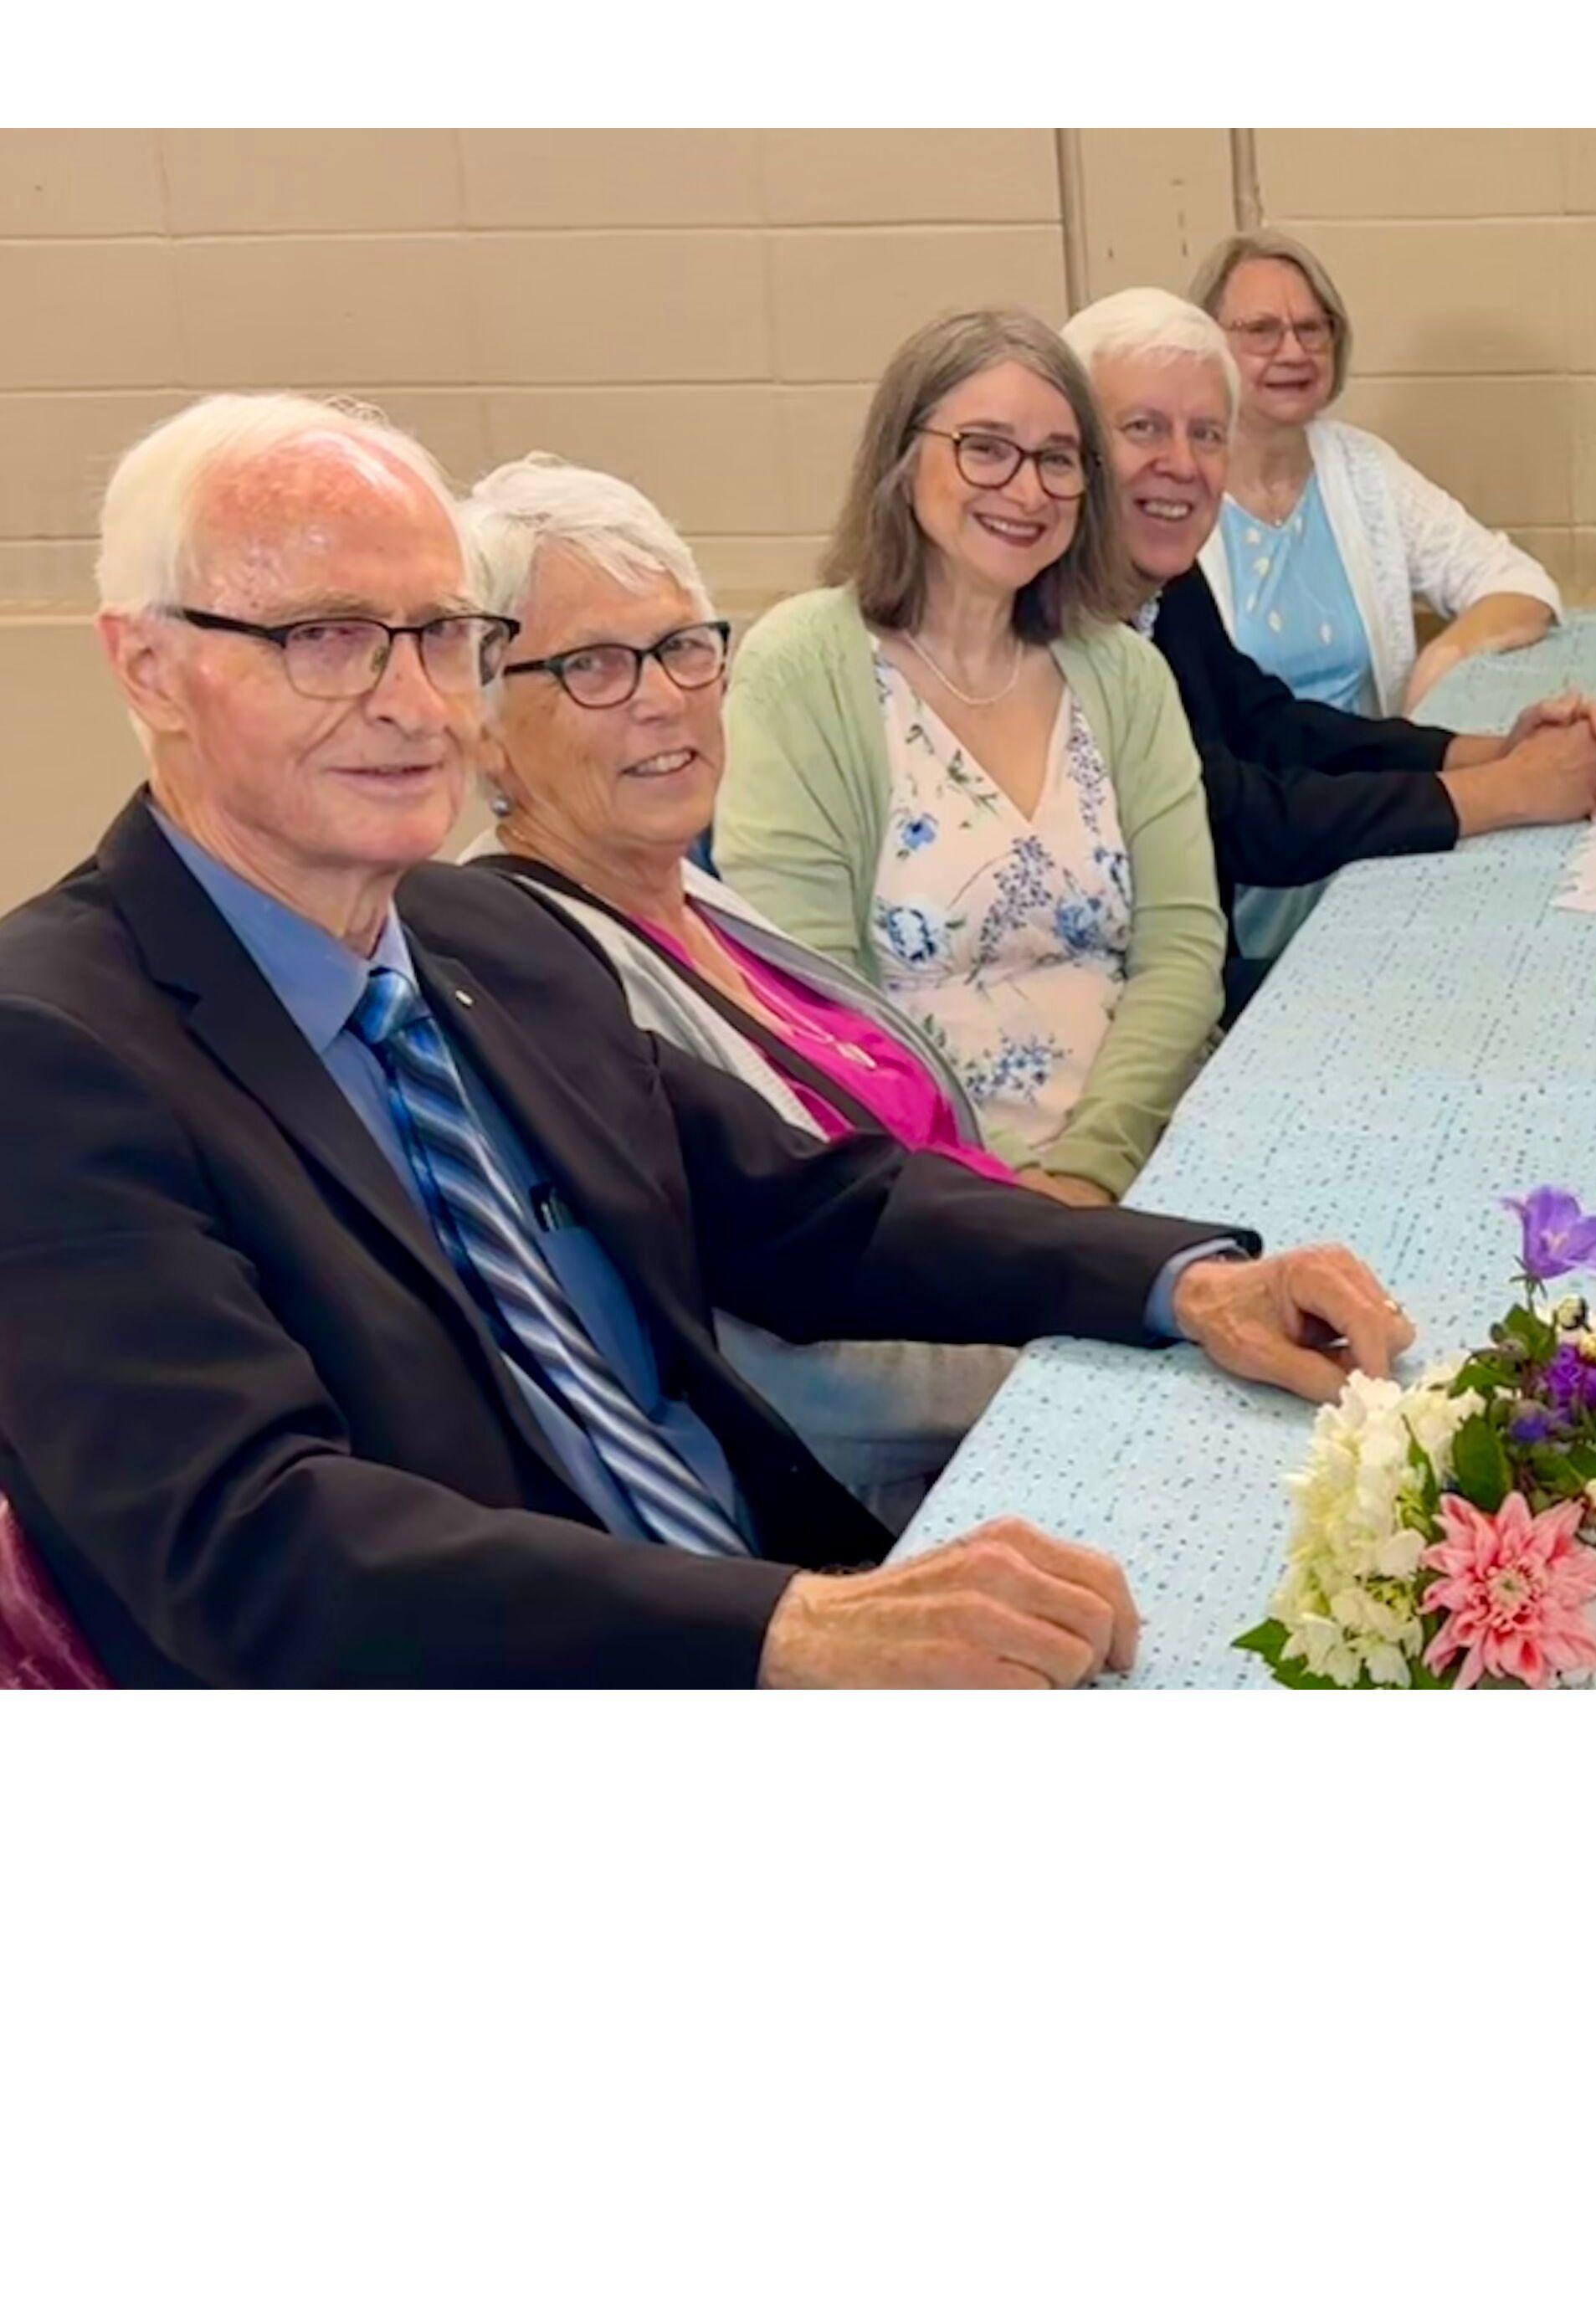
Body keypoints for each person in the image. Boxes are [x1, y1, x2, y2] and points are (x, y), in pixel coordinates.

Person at [0, 393, 1414, 1687]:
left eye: (441, 635)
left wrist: (1179, 1280)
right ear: (150, 667)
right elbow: (253, 1544)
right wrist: (786, 1625)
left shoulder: (477, 935)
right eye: (324, 638)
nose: (416, 703)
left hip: (752, 1588)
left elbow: (811, 1205)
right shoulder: (53, 1048)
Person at [459, 452, 1020, 1527]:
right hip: (903, 1504)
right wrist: (1049, 1354)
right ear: (481, 726)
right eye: (593, 666)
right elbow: (765, 1364)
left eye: (679, 648)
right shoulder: (530, 968)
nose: (663, 698)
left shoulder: (699, 897)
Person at [715, 310, 1222, 1211]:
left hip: (1147, 1151)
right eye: (986, 449)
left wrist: (1089, 1173)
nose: (1026, 490)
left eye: (1058, 458)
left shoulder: (1124, 672)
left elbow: (1182, 950)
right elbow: (813, 998)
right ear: (904, 459)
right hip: (919, 1187)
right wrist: (1013, 1200)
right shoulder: (802, 668)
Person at [1060, 288, 1596, 1014]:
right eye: (1144, 428)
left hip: (1189, 978)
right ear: (1070, 444)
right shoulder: (1057, 622)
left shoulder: (1160, 577)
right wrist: (1510, 791)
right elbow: (1235, 818)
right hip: (1118, 1012)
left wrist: (1490, 749)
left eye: (1207, 434)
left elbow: (1268, 723)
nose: (1182, 462)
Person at [1188, 230, 1562, 721]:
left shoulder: (1364, 470)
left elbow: (1520, 583)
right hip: (1244, 788)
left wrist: (1445, 657)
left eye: (1311, 328)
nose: (1294, 352)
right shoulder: (1175, 487)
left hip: (1370, 779)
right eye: (1261, 331)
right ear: (1206, 345)